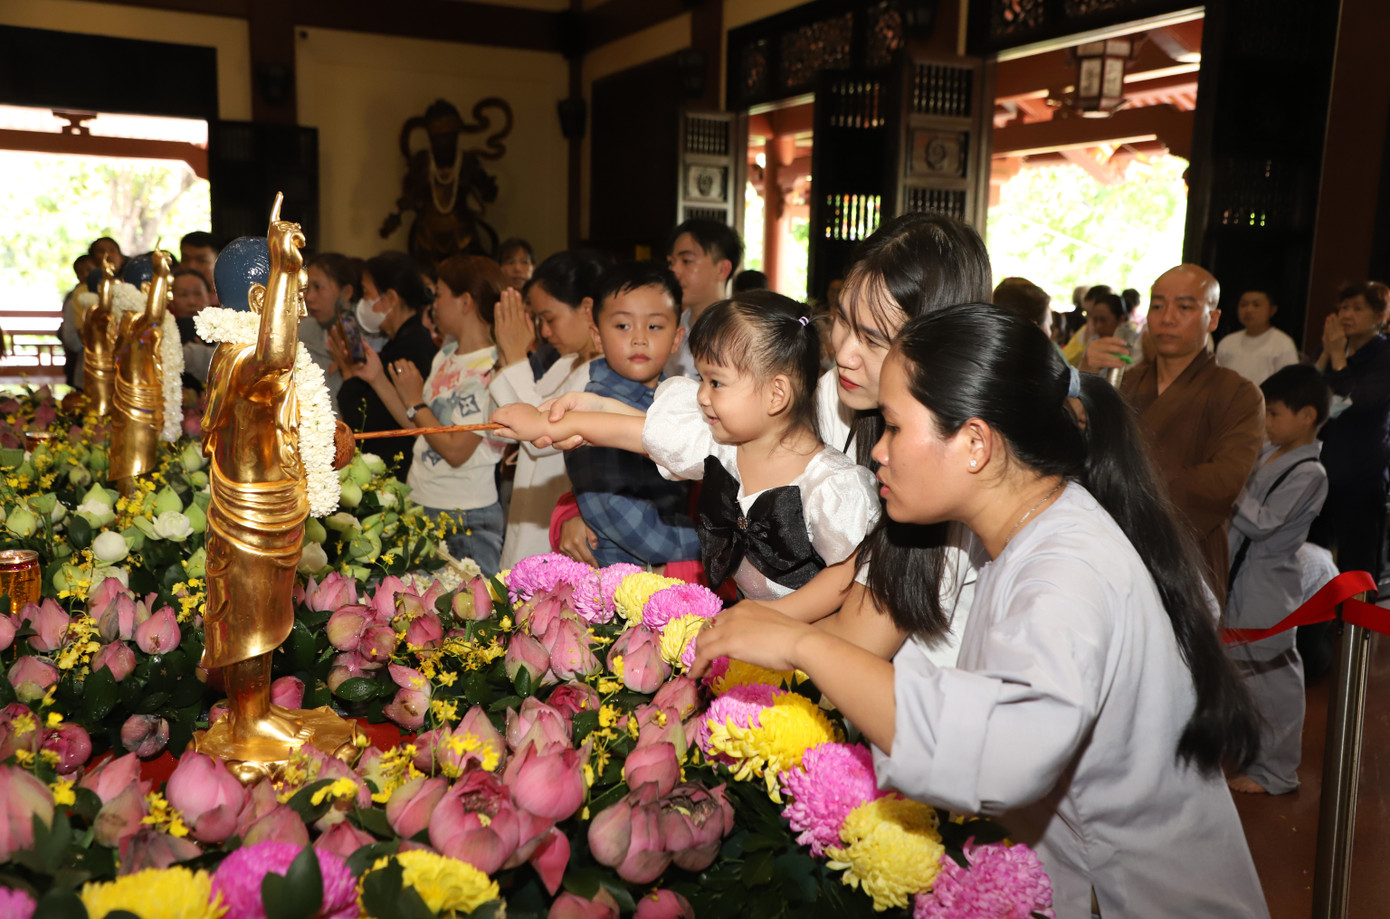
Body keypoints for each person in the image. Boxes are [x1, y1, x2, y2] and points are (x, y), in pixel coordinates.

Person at [693, 304, 1267, 918]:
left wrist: (801, 644)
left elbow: (1002, 751)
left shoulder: (1065, 572)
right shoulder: (1023, 530)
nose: (879, 453)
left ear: (973, 444)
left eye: (892, 427)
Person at [495, 290, 879, 602]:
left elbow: (849, 576)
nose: (701, 395)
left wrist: (782, 621)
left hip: (809, 644)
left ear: (776, 394)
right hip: (747, 625)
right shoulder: (725, 449)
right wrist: (558, 419)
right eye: (701, 378)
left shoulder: (831, 486)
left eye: (716, 382)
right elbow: (638, 433)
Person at [1083, 264, 1265, 608]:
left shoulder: (1238, 393)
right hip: (1105, 549)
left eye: (1184, 307)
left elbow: (1222, 481)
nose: (1166, 318)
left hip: (1185, 559)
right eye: (1157, 305)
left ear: (1213, 318)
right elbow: (1076, 452)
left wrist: (1121, 485)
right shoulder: (1123, 381)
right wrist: (1085, 383)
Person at [354, 256, 508, 575]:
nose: (433, 305)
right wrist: (378, 380)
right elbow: (418, 426)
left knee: (464, 619)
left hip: (463, 515)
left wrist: (415, 401)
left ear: (465, 301)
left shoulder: (492, 367)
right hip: (422, 502)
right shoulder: (447, 354)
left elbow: (455, 450)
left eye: (439, 294)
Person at [1226, 364, 1329, 796]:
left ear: (1307, 416)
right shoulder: (1271, 452)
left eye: (1275, 414)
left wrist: (1230, 485)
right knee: (1245, 670)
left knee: (1274, 673)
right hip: (1241, 577)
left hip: (1270, 580)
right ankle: (1253, 756)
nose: (1267, 423)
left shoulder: (1311, 474)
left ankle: (1279, 772)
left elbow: (1266, 524)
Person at [560, 261, 700, 570]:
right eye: (623, 326)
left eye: (654, 326)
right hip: (625, 582)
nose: (639, 339)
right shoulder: (593, 408)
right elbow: (630, 524)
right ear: (596, 336)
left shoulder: (676, 398)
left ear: (677, 338)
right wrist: (715, 541)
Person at [489, 249, 610, 568]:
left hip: (559, 530)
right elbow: (501, 422)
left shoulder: (603, 373)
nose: (543, 332)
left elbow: (541, 439)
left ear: (587, 308)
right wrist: (507, 357)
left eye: (549, 318)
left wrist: (515, 358)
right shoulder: (566, 364)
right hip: (529, 517)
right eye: (539, 321)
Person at [330, 251, 438, 480]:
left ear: (390, 299)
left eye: (367, 294)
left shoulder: (408, 351)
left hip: (397, 471)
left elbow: (366, 423)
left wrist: (348, 373)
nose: (363, 303)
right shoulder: (400, 342)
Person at [1311, 281, 1390, 581]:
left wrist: (1339, 360)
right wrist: (1323, 355)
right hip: (1320, 467)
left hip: (1361, 472)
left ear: (1380, 316)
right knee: (1312, 553)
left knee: (1357, 564)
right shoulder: (1331, 344)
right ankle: (1315, 626)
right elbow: (1303, 395)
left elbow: (1357, 403)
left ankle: (1356, 627)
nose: (1347, 314)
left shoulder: (1384, 354)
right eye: (1343, 307)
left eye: (1358, 308)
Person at [664, 218, 743, 378]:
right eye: (671, 262)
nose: (674, 270)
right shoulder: (666, 328)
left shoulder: (743, 335)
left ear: (722, 269)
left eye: (686, 261)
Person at [301, 253, 360, 401]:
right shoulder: (301, 332)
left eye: (318, 287)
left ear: (346, 292)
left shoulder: (366, 340)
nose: (309, 297)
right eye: (307, 288)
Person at [1216, 289, 1299, 384]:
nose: (1249, 310)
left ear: (1272, 310)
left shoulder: (1283, 343)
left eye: (1256, 305)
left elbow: (1290, 382)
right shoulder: (1227, 342)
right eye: (1244, 305)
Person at [170, 268, 216, 386]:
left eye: (197, 293)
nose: (191, 301)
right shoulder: (166, 331)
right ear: (172, 301)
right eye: (183, 295)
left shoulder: (224, 329)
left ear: (210, 296)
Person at [59, 253, 95, 387]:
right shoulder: (74, 297)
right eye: (81, 272)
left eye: (90, 271)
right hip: (82, 361)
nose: (86, 275)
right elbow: (71, 339)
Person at [179, 231, 220, 305]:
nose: (191, 267)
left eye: (201, 261)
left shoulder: (228, 305)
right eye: (185, 259)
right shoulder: (169, 304)